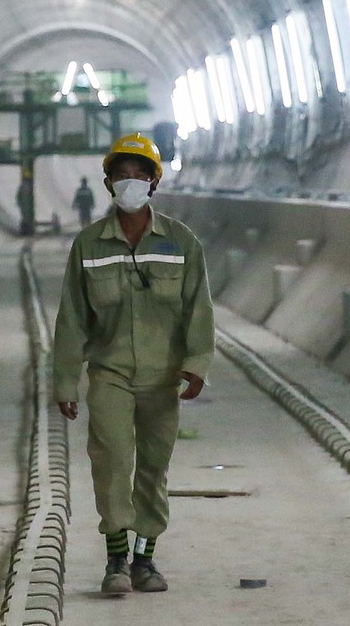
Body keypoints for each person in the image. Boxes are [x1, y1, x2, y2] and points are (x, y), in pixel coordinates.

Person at [51, 133, 213, 597]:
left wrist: (196, 363)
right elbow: (73, 318)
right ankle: (116, 557)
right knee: (112, 462)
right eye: (121, 175)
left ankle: (146, 559)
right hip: (111, 374)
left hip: (163, 377)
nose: (130, 182)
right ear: (107, 183)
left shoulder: (182, 242)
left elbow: (198, 307)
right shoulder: (89, 246)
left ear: (154, 180)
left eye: (139, 174)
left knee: (154, 468)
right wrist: (66, 381)